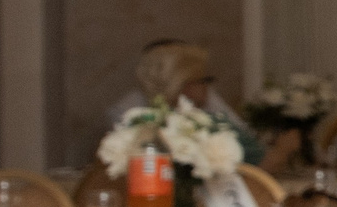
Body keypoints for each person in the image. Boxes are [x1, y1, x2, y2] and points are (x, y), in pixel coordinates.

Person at [121, 41, 299, 176]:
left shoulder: (134, 127)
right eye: (205, 80)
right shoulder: (209, 126)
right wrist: (284, 149)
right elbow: (256, 175)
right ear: (186, 85)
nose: (208, 88)